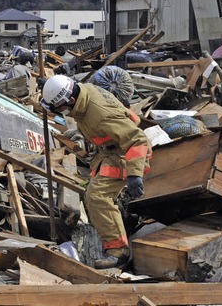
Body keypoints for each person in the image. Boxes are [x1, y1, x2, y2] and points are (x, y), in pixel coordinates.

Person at [40, 74, 151, 269]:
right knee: (97, 194)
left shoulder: (100, 114)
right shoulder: (83, 91)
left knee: (97, 197)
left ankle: (119, 252)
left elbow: (137, 140)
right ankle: (121, 227)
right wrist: (49, 87)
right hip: (110, 150)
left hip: (128, 153)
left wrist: (135, 175)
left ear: (71, 101)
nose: (61, 112)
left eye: (60, 108)